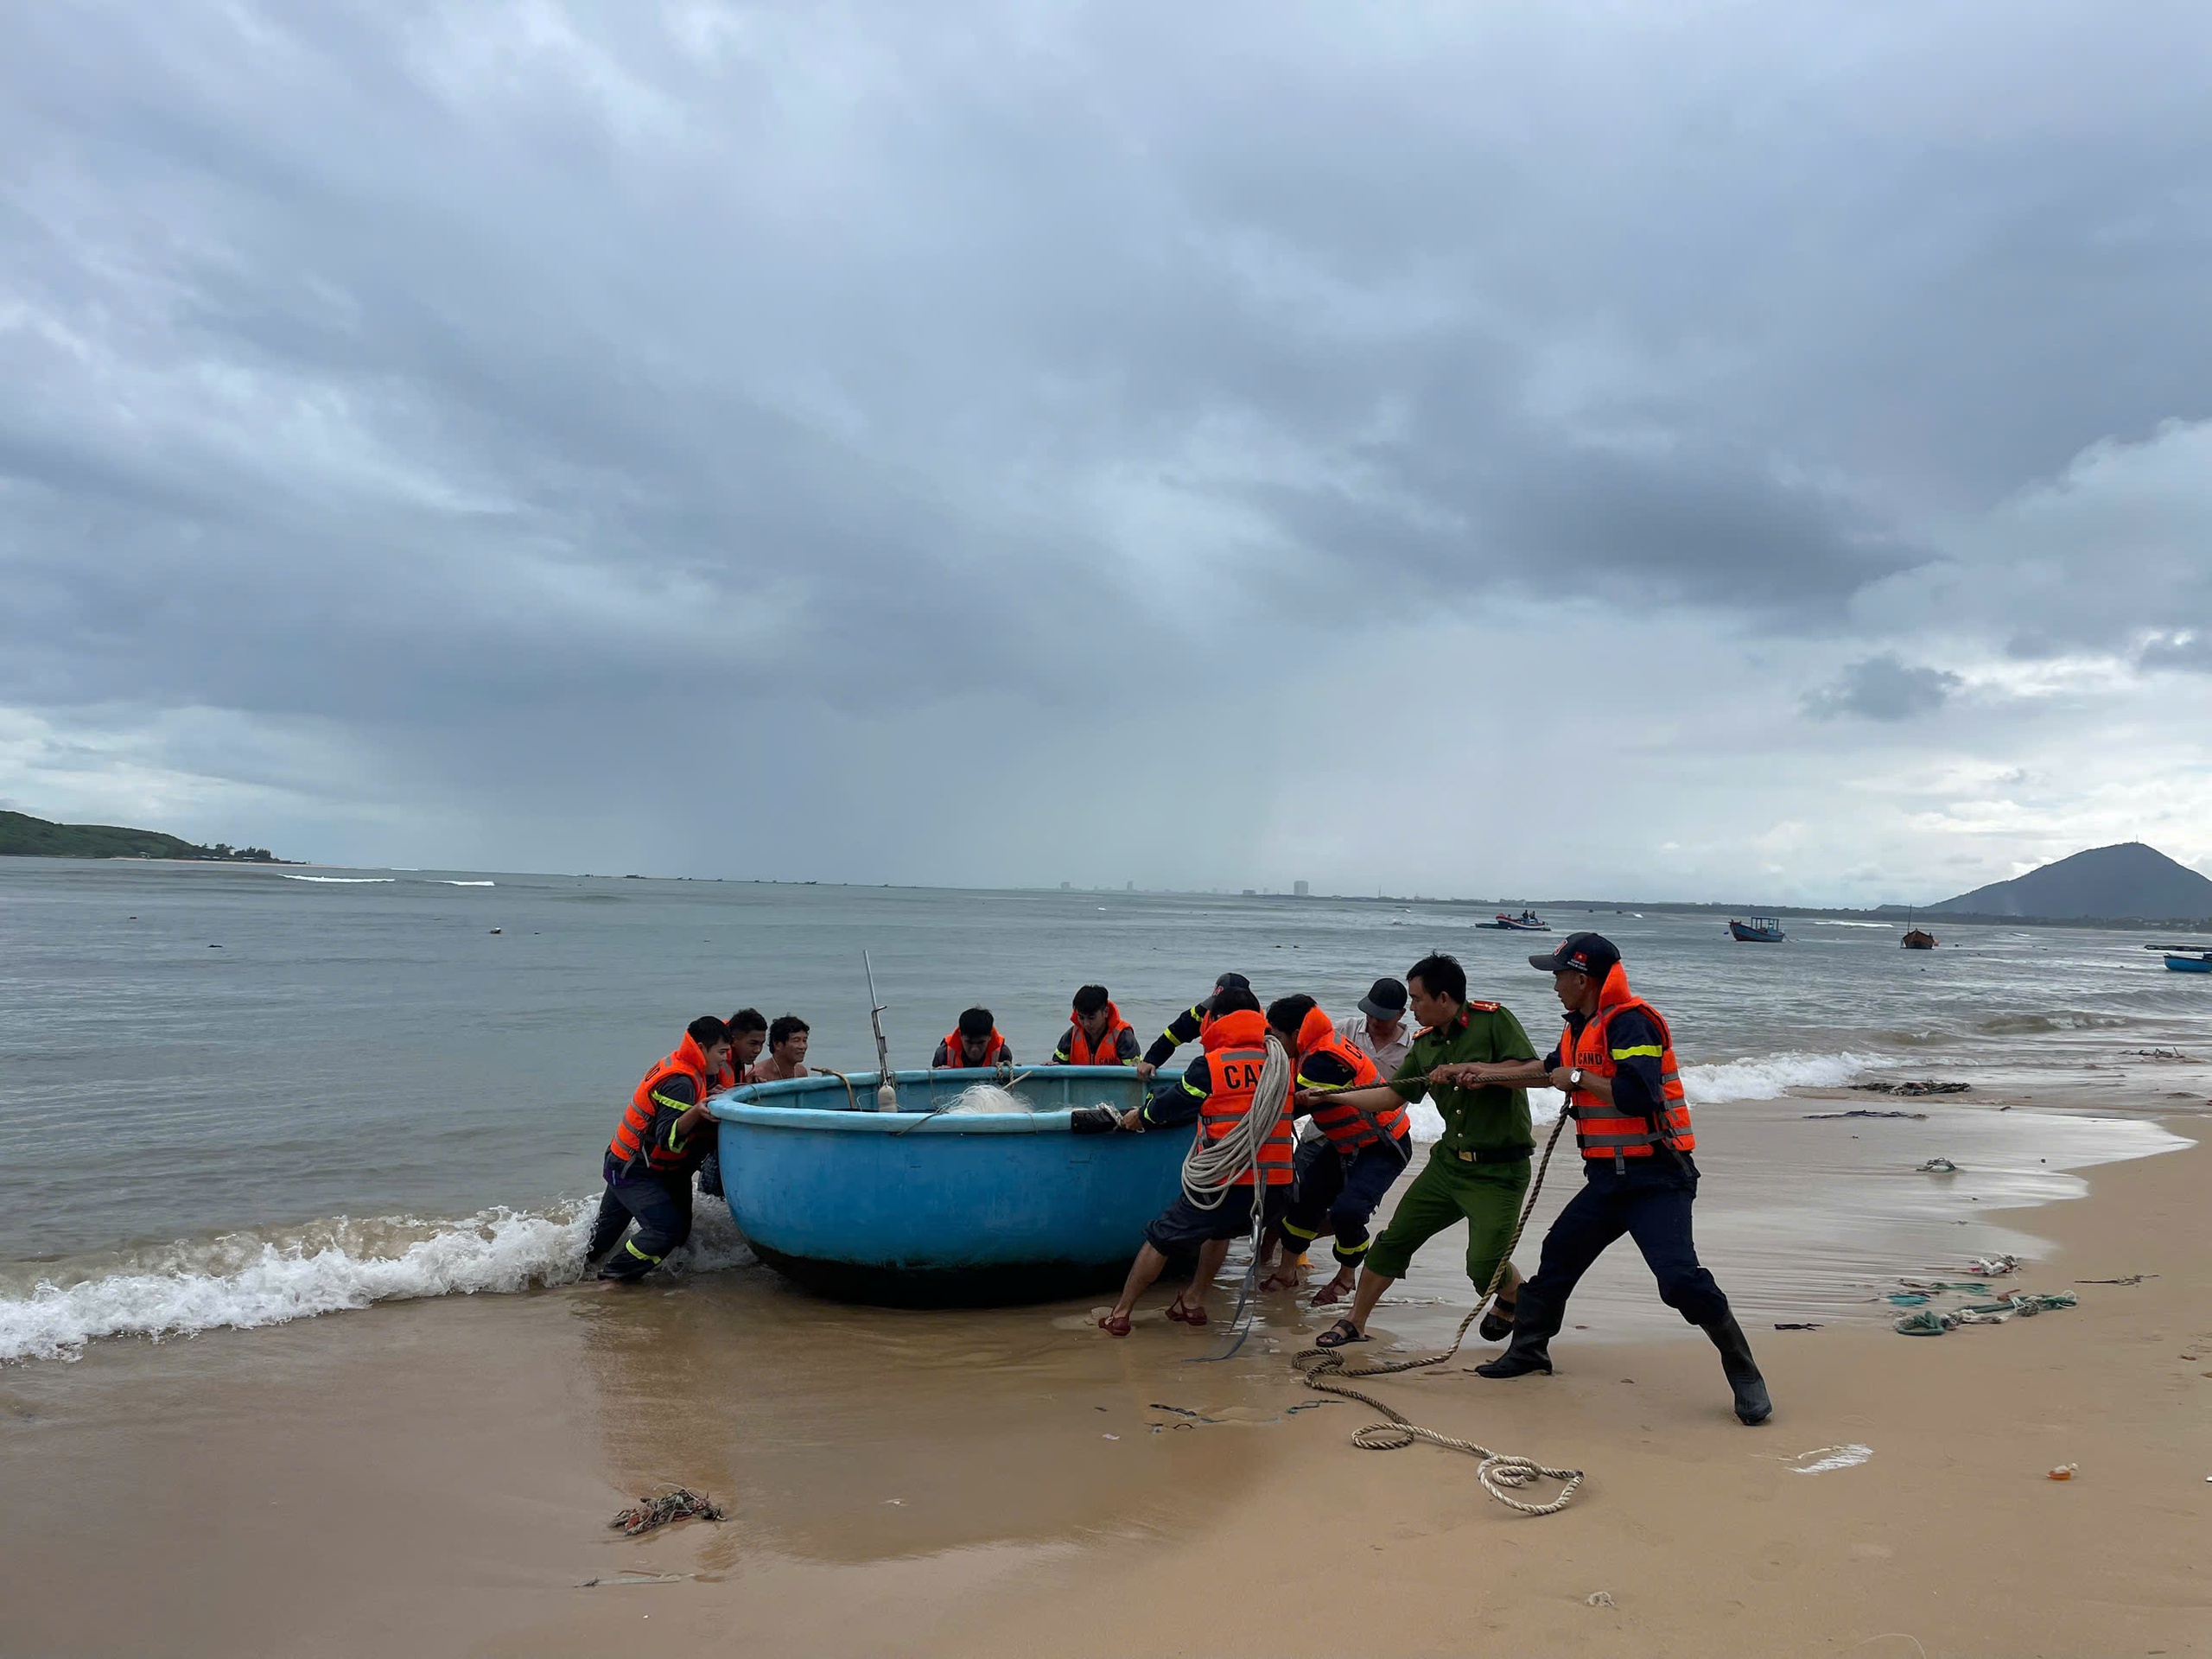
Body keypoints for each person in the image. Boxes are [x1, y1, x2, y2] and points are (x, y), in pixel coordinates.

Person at [1463, 933, 1772, 1426]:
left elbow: (1639, 1095)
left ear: (1582, 979)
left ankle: (1743, 1369)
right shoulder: (1578, 1025)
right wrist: (1482, 1073)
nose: (1554, 985)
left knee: (1678, 1281)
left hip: (1657, 1179)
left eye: (1558, 975)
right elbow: (1548, 1071)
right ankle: (1530, 1351)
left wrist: (1580, 1080)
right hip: (1607, 1179)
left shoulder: (1631, 1022)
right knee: (1558, 1254)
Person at [1304, 952, 1541, 1351]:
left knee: (1483, 1267)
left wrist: (1479, 1070)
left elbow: (1536, 1071)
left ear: (1444, 998)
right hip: (1447, 1167)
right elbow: (1392, 1096)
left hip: (1499, 1171)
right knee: (1393, 1241)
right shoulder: (1425, 1043)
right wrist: (1334, 1097)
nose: (1410, 1009)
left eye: (1416, 999)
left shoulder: (1493, 1020)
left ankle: (1521, 1302)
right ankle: (1354, 1322)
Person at [1096, 986, 1294, 1334]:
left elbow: (1172, 1106)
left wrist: (1140, 1116)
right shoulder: (1281, 1062)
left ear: (1217, 1020)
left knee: (1160, 1237)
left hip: (1225, 1184)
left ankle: (1120, 1314)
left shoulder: (1212, 1065)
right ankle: (1192, 1301)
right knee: (1219, 1231)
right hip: (1275, 1190)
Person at [1263, 996, 1413, 1305]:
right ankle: (1286, 1272)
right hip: (1345, 1142)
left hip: (1384, 1143)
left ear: (1294, 1034)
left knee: (1349, 1212)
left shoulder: (1321, 1061)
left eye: (1276, 1036)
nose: (1273, 1044)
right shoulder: (1315, 1044)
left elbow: (1291, 1107)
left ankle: (1346, 1278)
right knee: (1304, 1204)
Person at [587, 1016, 733, 1282]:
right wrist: (698, 1112)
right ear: (701, 1048)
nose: (726, 1059)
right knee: (666, 1231)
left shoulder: (685, 1064)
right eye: (722, 1052)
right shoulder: (680, 1081)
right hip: (632, 1170)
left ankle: (576, 1275)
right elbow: (668, 1139)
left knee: (598, 1245)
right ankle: (613, 1279)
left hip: (629, 1162)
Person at [698, 1008, 769, 1201]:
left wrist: (746, 1084)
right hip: (710, 1149)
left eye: (761, 1044)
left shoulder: (737, 1061)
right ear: (734, 1040)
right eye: (752, 1043)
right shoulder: (714, 1064)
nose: (757, 1050)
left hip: (725, 1143)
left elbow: (729, 1088)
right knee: (710, 1200)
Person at [1134, 971, 1252, 1083]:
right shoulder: (1203, 1013)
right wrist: (1151, 1059)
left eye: (1224, 1005)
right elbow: (1174, 1033)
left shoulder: (1262, 1026)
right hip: (1213, 1074)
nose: (1217, 1011)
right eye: (1217, 1003)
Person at [1337, 976, 1414, 1077]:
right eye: (1370, 1015)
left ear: (1400, 1014)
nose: (1374, 1022)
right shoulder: (1345, 1029)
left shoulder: (1410, 1049)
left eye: (1381, 1018)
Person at [1051, 984, 1140, 1065]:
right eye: (1081, 1018)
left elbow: (1134, 1072)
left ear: (1105, 1012)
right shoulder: (1071, 1035)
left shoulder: (1123, 1037)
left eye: (1091, 1018)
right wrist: (1054, 1065)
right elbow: (1059, 1064)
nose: (1086, 1024)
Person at [932, 1007, 1012, 1069]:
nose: (974, 1049)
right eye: (969, 1042)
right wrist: (938, 1073)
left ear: (990, 1036)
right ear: (960, 1035)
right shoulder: (943, 1054)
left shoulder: (1003, 1054)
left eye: (981, 1043)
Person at [753, 1015, 811, 1082]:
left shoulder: (801, 1072)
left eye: (804, 1040)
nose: (802, 1046)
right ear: (778, 1044)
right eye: (796, 1040)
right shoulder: (758, 1075)